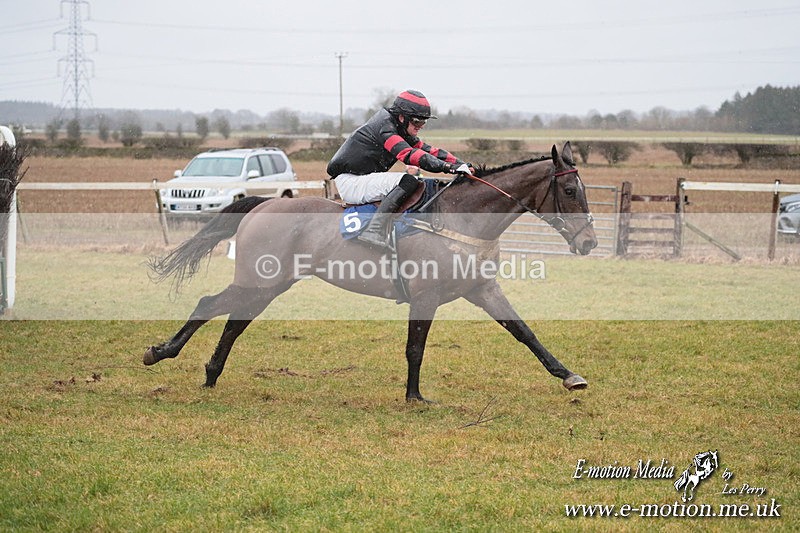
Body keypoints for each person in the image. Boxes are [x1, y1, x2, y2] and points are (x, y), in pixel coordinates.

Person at [327, 89, 472, 248]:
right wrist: (448, 168)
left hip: (361, 177)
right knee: (408, 181)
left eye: (424, 122)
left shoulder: (399, 127)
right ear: (402, 117)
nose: (421, 126)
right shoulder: (385, 128)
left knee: (416, 182)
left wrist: (460, 163)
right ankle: (375, 230)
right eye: (417, 121)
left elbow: (429, 150)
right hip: (350, 181)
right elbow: (409, 155)